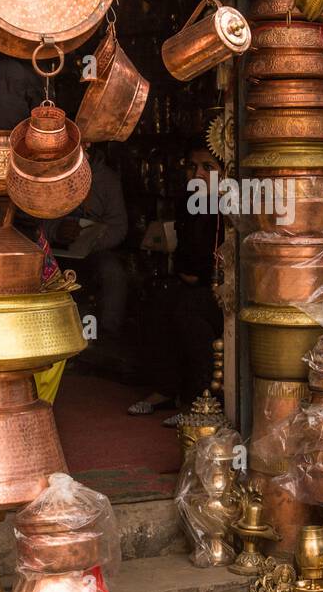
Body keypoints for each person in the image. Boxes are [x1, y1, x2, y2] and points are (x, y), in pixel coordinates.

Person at [129, 136, 223, 421]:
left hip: (222, 289)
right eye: (192, 167)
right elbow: (185, 256)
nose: (198, 175)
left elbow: (213, 260)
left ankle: (200, 400)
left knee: (189, 310)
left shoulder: (229, 206)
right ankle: (167, 389)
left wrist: (199, 274)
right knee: (157, 300)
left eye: (208, 168)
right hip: (193, 282)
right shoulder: (189, 203)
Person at [52, 147, 129, 344]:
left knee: (113, 273)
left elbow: (119, 226)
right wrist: (57, 231)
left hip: (95, 249)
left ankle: (108, 335)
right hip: (55, 249)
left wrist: (90, 241)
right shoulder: (51, 174)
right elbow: (34, 218)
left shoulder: (107, 180)